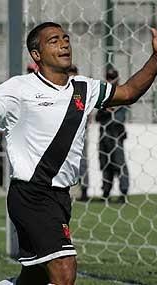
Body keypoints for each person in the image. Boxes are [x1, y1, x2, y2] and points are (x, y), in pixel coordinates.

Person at [0, 21, 157, 285]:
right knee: (64, 271)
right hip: (32, 194)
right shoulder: (19, 89)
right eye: (53, 40)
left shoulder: (83, 88)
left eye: (65, 38)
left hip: (59, 196)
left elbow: (129, 92)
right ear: (36, 54)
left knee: (34, 277)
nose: (64, 43)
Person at [95, 68, 129, 203]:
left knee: (119, 164)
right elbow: (98, 117)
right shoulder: (104, 95)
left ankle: (123, 192)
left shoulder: (121, 93)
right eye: (108, 78)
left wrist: (108, 110)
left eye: (113, 77)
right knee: (104, 164)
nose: (110, 80)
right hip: (104, 135)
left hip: (115, 134)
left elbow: (119, 118)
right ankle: (106, 192)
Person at [68, 64, 89, 201]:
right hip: (64, 134)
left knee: (82, 162)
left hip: (79, 134)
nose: (71, 76)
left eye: (73, 73)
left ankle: (85, 190)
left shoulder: (81, 90)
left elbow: (83, 109)